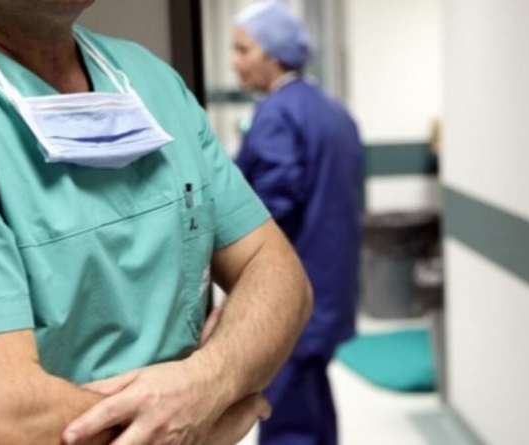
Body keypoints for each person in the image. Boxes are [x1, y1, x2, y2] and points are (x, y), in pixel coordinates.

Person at [0, 0, 314, 444]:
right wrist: (199, 426)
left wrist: (208, 384)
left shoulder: (151, 80)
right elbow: (1, 426)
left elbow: (282, 276)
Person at [231, 2, 364, 445]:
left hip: (294, 296)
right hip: (330, 290)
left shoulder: (277, 115)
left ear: (273, 54)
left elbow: (272, 207)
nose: (234, 62)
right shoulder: (331, 110)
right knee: (312, 406)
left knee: (288, 420)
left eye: (243, 50)